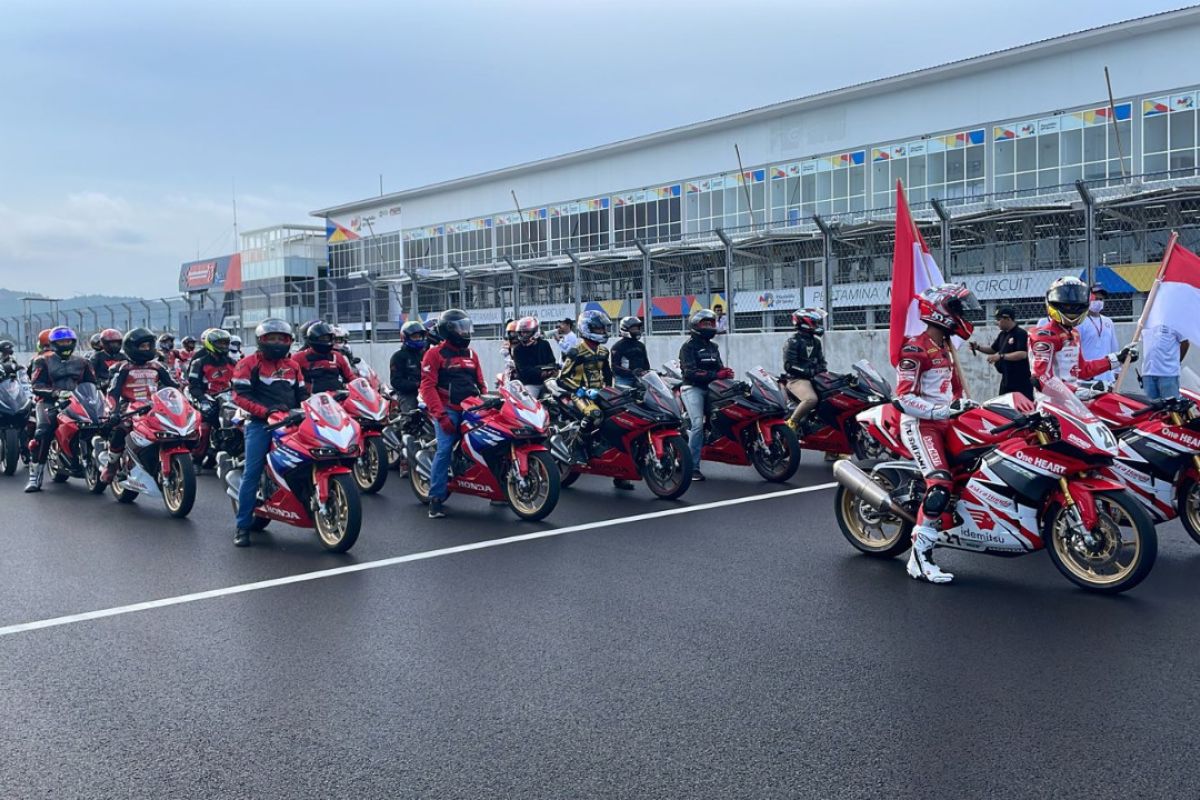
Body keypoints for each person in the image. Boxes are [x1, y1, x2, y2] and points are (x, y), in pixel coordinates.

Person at [894, 284, 981, 585]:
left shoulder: (946, 347)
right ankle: (919, 559)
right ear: (940, 312)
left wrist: (966, 408)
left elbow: (953, 392)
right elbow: (903, 398)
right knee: (941, 483)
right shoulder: (915, 348)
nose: (964, 315)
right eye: (957, 309)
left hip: (947, 422)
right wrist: (942, 412)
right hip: (921, 425)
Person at [230, 319, 307, 547]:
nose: (276, 342)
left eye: (281, 338)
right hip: (260, 424)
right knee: (252, 473)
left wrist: (311, 407)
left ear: (289, 341)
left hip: (293, 420)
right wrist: (266, 411)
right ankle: (242, 526)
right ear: (261, 340)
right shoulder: (248, 363)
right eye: (271, 338)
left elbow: (302, 394)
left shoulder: (293, 366)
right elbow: (240, 395)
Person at [419, 309, 486, 519]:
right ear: (448, 330)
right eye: (460, 328)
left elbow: (481, 384)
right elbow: (427, 388)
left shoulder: (472, 354)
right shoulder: (434, 354)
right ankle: (436, 499)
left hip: (472, 406)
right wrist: (441, 415)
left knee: (491, 441)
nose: (465, 332)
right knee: (444, 449)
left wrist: (485, 402)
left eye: (466, 327)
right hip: (448, 408)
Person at [559, 311, 633, 490]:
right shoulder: (576, 351)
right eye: (597, 328)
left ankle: (620, 473)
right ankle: (576, 449)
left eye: (603, 328)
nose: (601, 331)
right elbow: (562, 377)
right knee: (595, 414)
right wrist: (580, 390)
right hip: (579, 394)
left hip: (600, 393)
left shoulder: (603, 351)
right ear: (586, 328)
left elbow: (607, 374)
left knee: (621, 418)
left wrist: (611, 392)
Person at [1029, 277, 1136, 391]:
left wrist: (1117, 359)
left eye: (1077, 303)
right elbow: (1042, 380)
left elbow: (1082, 370)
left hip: (1072, 400)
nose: (1072, 306)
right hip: (1051, 402)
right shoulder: (1044, 335)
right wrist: (1085, 390)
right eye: (1067, 303)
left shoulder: (1074, 333)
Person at [101, 328, 178, 484]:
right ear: (132, 347)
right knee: (120, 430)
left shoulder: (157, 366)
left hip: (155, 406)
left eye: (149, 345)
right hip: (129, 406)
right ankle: (112, 465)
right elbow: (113, 392)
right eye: (143, 346)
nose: (147, 349)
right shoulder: (122, 368)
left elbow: (173, 386)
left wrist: (184, 401)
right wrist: (113, 411)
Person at [26, 326, 96, 492]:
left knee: (100, 422)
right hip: (49, 401)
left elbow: (93, 384)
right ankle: (35, 476)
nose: (65, 344)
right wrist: (56, 393)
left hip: (76, 400)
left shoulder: (82, 362)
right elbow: (36, 386)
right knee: (44, 430)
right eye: (61, 342)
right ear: (53, 344)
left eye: (68, 341)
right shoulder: (42, 361)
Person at [679, 309, 733, 482]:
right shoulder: (688, 347)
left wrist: (725, 372)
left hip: (712, 388)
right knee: (697, 425)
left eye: (712, 323)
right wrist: (716, 375)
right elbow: (691, 372)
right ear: (696, 326)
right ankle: (692, 467)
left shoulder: (713, 347)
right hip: (692, 388)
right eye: (706, 323)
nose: (710, 326)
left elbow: (718, 368)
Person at [186, 328, 237, 463]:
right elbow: (193, 386)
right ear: (210, 343)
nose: (224, 347)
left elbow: (241, 382)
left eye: (226, 343)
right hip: (207, 398)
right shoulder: (199, 363)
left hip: (230, 399)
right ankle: (197, 459)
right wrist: (203, 400)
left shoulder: (232, 362)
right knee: (205, 428)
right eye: (220, 343)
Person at [968, 306, 1033, 399]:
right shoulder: (1002, 334)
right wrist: (978, 347)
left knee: (1024, 409)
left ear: (1008, 319)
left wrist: (1001, 356)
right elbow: (993, 349)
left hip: (1020, 381)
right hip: (1006, 380)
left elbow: (1023, 354)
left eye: (999, 319)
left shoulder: (1020, 333)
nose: (997, 322)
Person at [782, 308, 826, 432]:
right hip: (796, 380)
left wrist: (821, 370)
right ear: (805, 322)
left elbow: (822, 361)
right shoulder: (793, 341)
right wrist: (808, 372)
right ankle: (792, 423)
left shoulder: (816, 342)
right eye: (815, 322)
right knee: (811, 399)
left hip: (815, 378)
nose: (817, 325)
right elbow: (789, 366)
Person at [294, 321, 356, 394]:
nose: (326, 341)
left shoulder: (337, 356)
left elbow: (351, 378)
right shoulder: (299, 357)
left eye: (328, 338)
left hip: (338, 399)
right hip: (312, 400)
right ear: (313, 339)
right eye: (323, 338)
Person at [1076, 284, 1120, 384]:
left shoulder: (1108, 321)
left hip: (1107, 375)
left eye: (1101, 299)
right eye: (1096, 298)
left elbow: (1114, 347)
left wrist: (1117, 369)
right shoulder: (1079, 322)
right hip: (1087, 376)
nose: (1099, 302)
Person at [511, 316, 557, 398]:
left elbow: (552, 361)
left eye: (526, 332)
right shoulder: (518, 349)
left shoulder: (544, 344)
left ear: (535, 332)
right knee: (530, 403)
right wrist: (541, 372)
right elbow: (524, 371)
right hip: (531, 384)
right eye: (521, 332)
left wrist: (551, 370)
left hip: (548, 381)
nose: (523, 335)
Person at [1141, 322, 1189, 400]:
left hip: (1168, 375)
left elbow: (1185, 343)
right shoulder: (1144, 320)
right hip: (1148, 375)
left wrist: (1177, 361)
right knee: (1151, 409)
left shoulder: (1172, 320)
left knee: (1171, 408)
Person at [389, 320, 427, 413]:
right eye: (414, 337)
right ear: (405, 338)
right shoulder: (398, 356)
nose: (418, 339)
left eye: (419, 336)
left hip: (427, 390)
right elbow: (396, 381)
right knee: (411, 416)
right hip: (408, 394)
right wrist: (416, 385)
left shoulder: (426, 354)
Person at [610, 316, 650, 390]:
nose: (636, 331)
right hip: (624, 379)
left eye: (637, 328)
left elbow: (646, 363)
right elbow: (615, 366)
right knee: (623, 399)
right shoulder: (617, 346)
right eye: (633, 329)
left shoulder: (641, 345)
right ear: (625, 329)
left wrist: (647, 372)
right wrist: (632, 372)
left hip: (640, 378)